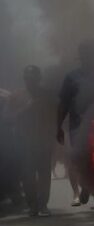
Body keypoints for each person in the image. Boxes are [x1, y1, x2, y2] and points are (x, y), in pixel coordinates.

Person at [56, 41, 94, 213]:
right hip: (78, 127)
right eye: (86, 54)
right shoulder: (72, 77)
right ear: (81, 57)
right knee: (82, 160)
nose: (90, 58)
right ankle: (87, 186)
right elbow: (63, 103)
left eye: (92, 54)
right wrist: (58, 126)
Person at [15, 66, 55, 216]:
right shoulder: (18, 96)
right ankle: (32, 205)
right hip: (25, 142)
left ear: (39, 79)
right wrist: (27, 108)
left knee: (44, 173)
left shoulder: (47, 95)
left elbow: (54, 116)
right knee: (27, 175)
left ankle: (43, 204)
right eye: (27, 78)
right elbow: (8, 117)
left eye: (33, 78)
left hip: (44, 141)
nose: (30, 81)